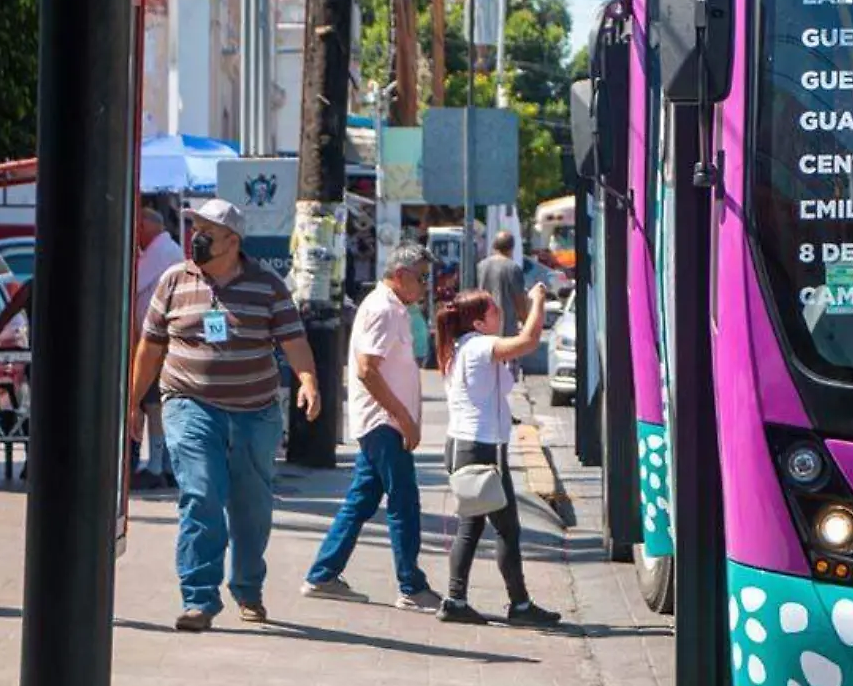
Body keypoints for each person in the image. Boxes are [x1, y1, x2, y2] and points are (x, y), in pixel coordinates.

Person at [127, 199, 321, 632]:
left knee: (251, 508)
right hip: (188, 402)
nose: (195, 237)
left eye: (206, 231)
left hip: (255, 412)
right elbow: (150, 347)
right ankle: (199, 598)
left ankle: (248, 588)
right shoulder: (173, 281)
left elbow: (294, 340)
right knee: (201, 493)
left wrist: (308, 381)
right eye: (193, 227)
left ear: (233, 241)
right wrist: (132, 402)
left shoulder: (267, 285)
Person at [301, 243, 442, 611]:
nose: (426, 286)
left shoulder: (395, 308)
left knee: (361, 501)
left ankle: (323, 573)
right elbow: (367, 370)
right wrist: (404, 418)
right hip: (384, 422)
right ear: (400, 275)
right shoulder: (384, 309)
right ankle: (411, 585)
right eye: (422, 278)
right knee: (404, 501)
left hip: (383, 421)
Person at [431, 284, 560, 627]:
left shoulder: (466, 346)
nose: (498, 313)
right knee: (506, 530)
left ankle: (456, 600)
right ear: (478, 322)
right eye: (492, 310)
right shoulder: (477, 347)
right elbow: (529, 341)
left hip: (472, 446)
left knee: (471, 527)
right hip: (479, 449)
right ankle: (518, 605)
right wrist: (538, 302)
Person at [133, 207, 185, 489]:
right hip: (155, 339)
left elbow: (133, 282)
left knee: (154, 404)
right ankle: (161, 464)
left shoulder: (162, 250)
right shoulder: (165, 250)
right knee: (155, 405)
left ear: (147, 225)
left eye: (138, 226)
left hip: (158, 342)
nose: (136, 233)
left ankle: (156, 466)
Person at [474, 230, 528, 338]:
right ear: (512, 248)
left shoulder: (481, 266)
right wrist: (525, 322)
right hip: (506, 329)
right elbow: (519, 301)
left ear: (494, 246)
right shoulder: (513, 268)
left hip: (484, 325)